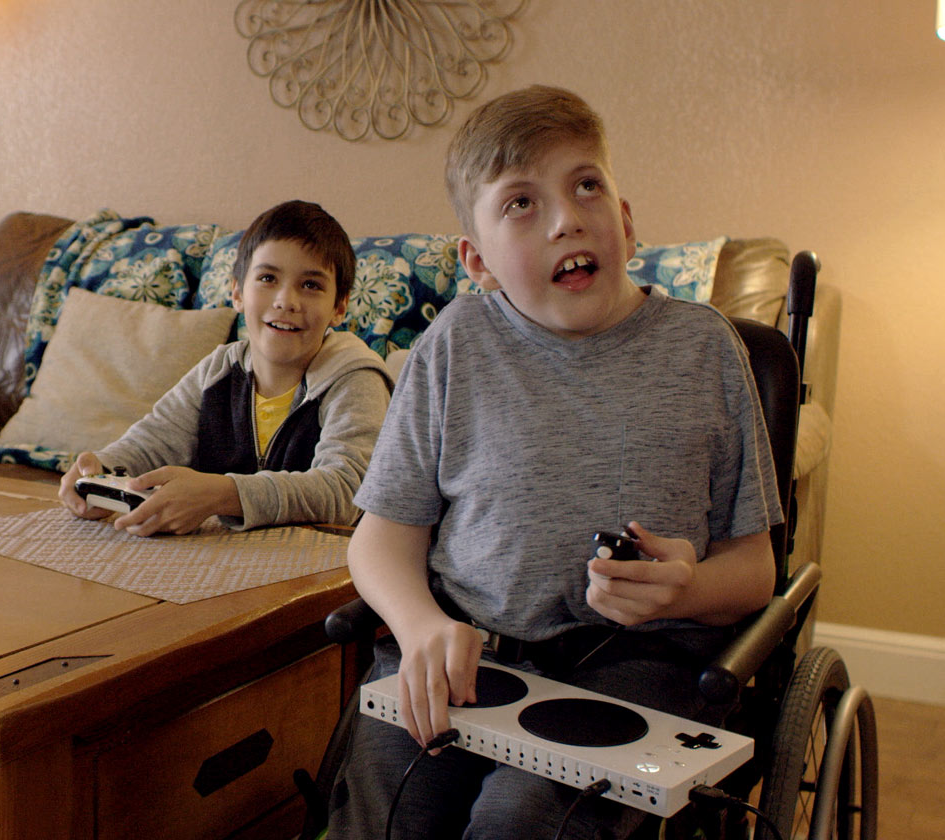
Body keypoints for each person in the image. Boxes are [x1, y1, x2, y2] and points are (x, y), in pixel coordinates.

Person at [325, 86, 783, 839]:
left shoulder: (705, 353)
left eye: (586, 185)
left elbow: (756, 570)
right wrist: (416, 626)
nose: (566, 217)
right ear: (478, 262)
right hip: (471, 651)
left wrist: (686, 588)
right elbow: (381, 538)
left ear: (626, 223)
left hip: (640, 665)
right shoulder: (453, 349)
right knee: (391, 806)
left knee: (520, 820)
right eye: (521, 204)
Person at [57, 199, 392, 535]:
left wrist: (221, 495)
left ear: (339, 307)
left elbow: (346, 492)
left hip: (330, 568)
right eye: (267, 278)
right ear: (237, 292)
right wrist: (98, 469)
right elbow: (151, 442)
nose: (285, 301)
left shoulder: (355, 378)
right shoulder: (217, 370)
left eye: (311, 285)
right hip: (227, 559)